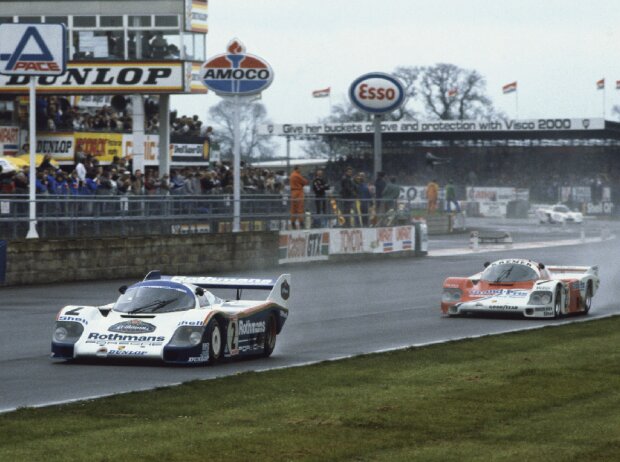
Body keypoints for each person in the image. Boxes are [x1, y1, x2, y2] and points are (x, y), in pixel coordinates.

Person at [289, 165, 309, 229]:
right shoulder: (297, 175)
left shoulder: (292, 175)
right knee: (300, 207)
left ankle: (293, 222)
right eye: (300, 169)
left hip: (293, 192)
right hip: (299, 192)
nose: (300, 170)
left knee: (293, 208)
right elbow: (305, 182)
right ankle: (301, 222)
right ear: (297, 169)